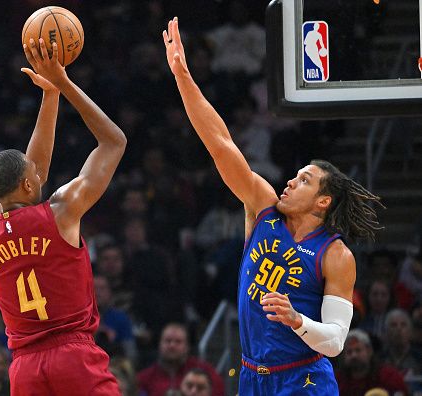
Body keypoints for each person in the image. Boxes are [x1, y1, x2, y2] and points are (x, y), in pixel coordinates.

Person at [163, 17, 383, 395]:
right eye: (295, 176)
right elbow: (220, 144)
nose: (290, 182)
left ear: (323, 200)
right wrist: (183, 76)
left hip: (305, 377)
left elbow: (334, 342)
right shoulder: (263, 207)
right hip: (251, 376)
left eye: (304, 181)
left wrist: (297, 320)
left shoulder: (335, 255)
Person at [0, 38, 126, 395]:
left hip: (24, 369)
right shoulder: (62, 212)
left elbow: (31, 173)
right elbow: (113, 142)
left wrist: (49, 95)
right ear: (28, 184)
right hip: (74, 357)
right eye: (34, 175)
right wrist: (65, 83)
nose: (40, 173)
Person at [136, 323, 225, 396]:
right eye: (168, 341)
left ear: (187, 347)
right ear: (159, 345)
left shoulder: (206, 371)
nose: (172, 345)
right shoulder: (144, 378)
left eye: (178, 341)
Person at [335, 329, 408, 396]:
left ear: (369, 351)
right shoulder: (337, 380)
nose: (354, 355)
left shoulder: (389, 376)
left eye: (358, 350)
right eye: (349, 352)